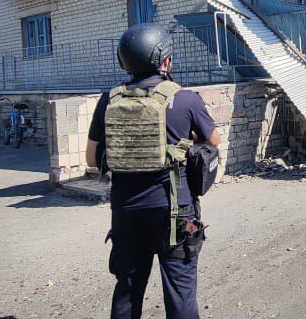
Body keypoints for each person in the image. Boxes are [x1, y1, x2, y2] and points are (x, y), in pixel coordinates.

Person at [86, 23, 220, 319]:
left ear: (125, 61)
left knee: (128, 291)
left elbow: (92, 159)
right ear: (166, 61)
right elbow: (213, 141)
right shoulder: (185, 98)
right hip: (174, 212)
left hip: (126, 211)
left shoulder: (109, 100)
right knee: (180, 294)